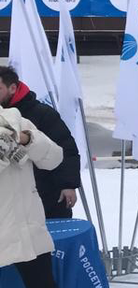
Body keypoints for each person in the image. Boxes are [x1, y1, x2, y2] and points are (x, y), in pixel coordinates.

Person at [0, 106, 89, 288]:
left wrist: (26, 139)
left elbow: (54, 158)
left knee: (44, 285)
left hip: (27, 222)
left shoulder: (16, 118)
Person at [0, 66, 81, 219]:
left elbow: (66, 148)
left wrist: (68, 184)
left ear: (12, 88)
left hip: (47, 194)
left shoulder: (41, 113)